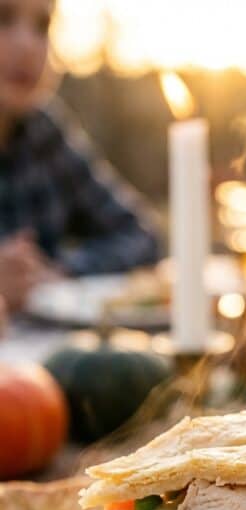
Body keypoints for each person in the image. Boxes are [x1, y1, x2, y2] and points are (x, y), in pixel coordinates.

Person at [0, 0, 160, 310]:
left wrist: (60, 270)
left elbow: (140, 234)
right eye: (3, 18)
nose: (27, 45)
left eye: (41, 26)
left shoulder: (44, 134)